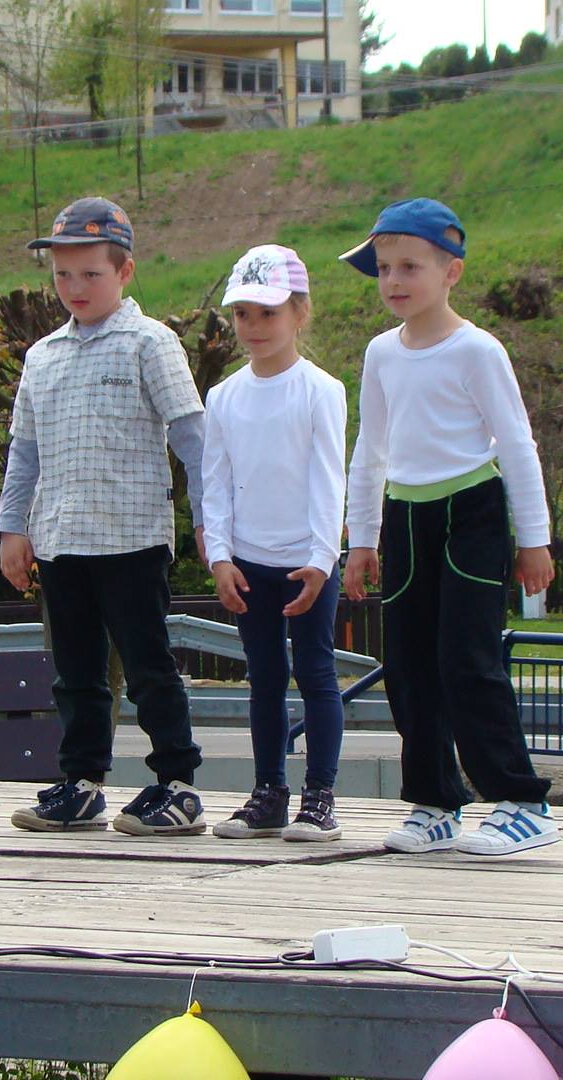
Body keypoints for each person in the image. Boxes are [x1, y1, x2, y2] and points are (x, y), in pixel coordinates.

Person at [341, 198, 560, 856]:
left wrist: (534, 538)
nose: (393, 280)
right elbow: (370, 449)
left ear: (451, 272)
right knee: (408, 666)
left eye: (409, 266)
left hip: (471, 510)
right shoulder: (381, 353)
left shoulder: (477, 350)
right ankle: (435, 804)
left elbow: (517, 444)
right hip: (406, 516)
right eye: (384, 269)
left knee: (467, 659)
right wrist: (362, 539)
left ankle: (523, 802)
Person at [0, 196, 209, 837]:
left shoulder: (150, 343)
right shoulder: (42, 355)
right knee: (76, 673)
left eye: (91, 273)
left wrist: (210, 522)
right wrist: (13, 526)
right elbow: (25, 451)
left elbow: (193, 438)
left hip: (131, 538)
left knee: (148, 667)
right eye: (63, 274)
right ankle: (82, 784)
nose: (75, 287)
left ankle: (178, 784)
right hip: (61, 539)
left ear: (124, 271)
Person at [201, 245, 348, 842]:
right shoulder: (224, 397)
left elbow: (329, 480)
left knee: (315, 673)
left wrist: (321, 559)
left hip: (306, 562)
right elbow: (214, 483)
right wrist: (219, 557)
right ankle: (268, 793)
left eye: (268, 313)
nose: (254, 326)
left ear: (299, 313)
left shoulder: (320, 390)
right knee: (264, 678)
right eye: (243, 314)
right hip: (248, 563)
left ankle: (320, 797)